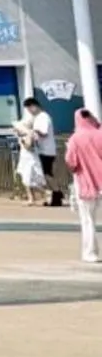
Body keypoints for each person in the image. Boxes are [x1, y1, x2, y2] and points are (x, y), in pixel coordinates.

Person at [64, 107, 102, 265]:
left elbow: (71, 163)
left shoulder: (75, 138)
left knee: (88, 220)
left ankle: (90, 253)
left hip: (86, 184)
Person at [16, 97, 59, 207]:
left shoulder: (43, 117)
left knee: (46, 174)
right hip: (43, 149)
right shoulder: (37, 117)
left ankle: (56, 194)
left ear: (34, 106)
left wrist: (31, 132)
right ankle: (55, 195)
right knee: (45, 174)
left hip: (46, 150)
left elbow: (43, 132)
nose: (29, 111)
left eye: (29, 108)